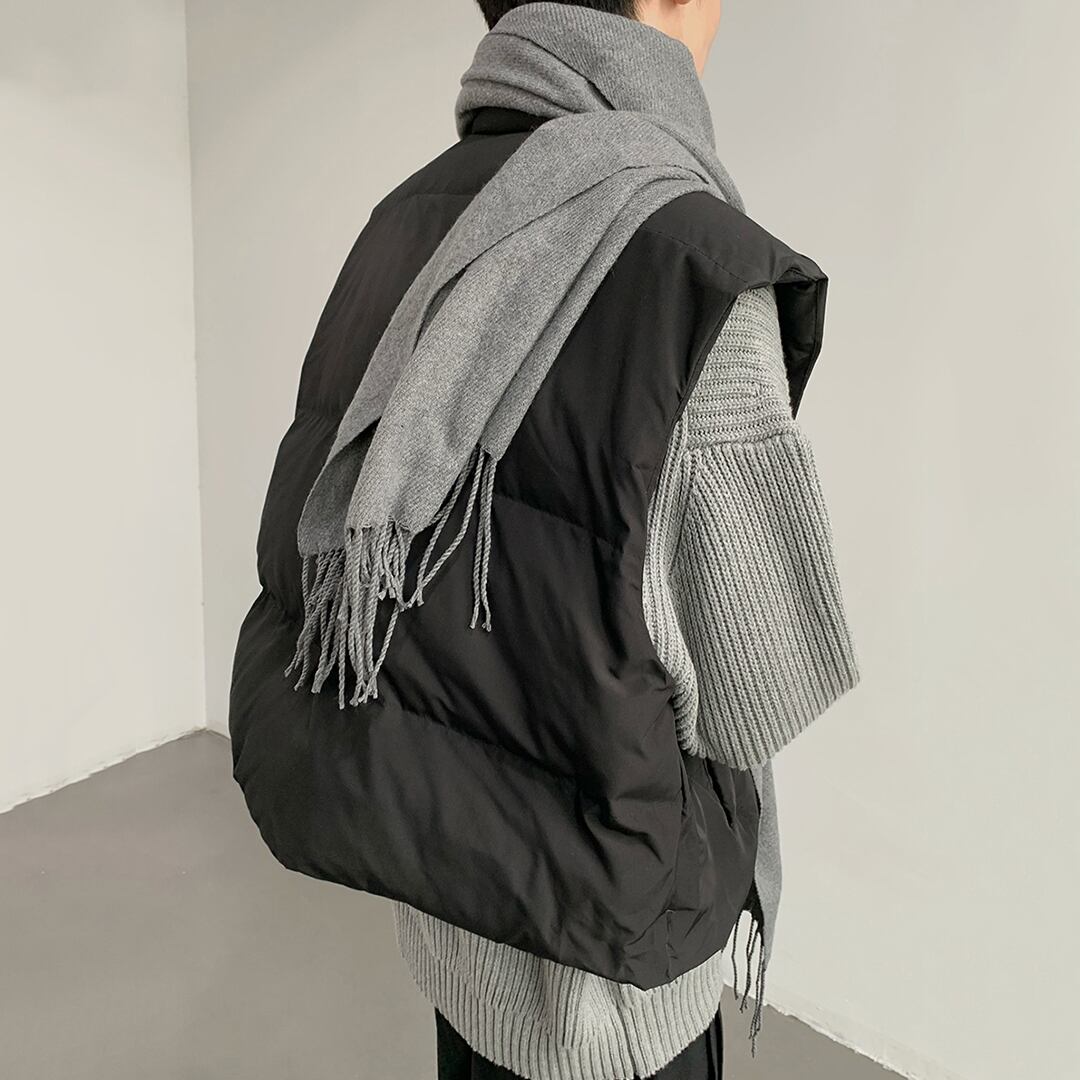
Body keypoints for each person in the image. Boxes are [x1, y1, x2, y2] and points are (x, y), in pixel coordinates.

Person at [228, 2, 862, 1078]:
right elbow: (763, 692)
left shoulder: (406, 222)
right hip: (616, 992)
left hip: (454, 922)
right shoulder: (699, 272)